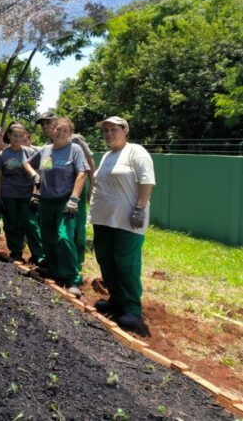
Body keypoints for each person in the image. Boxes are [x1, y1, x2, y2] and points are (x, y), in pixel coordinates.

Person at [90, 116, 155, 332]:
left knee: (126, 264)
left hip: (128, 220)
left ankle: (132, 311)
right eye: (105, 130)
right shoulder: (108, 155)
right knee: (107, 260)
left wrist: (139, 208)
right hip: (104, 219)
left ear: (125, 130)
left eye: (113, 129)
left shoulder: (136, 152)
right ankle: (116, 301)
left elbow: (147, 181)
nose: (109, 134)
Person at [28, 118, 88, 297]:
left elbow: (81, 174)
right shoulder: (46, 151)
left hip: (65, 201)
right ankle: (54, 270)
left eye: (65, 131)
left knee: (63, 237)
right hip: (46, 201)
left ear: (70, 134)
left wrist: (74, 199)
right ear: (52, 131)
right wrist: (35, 177)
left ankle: (72, 278)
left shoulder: (74, 150)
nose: (60, 133)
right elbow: (37, 167)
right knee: (48, 237)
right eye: (57, 129)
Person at [36, 111, 95, 270]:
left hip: (76, 189)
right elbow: (47, 168)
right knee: (53, 230)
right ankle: (55, 260)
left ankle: (76, 261)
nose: (45, 126)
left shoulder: (75, 141)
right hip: (53, 194)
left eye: (48, 122)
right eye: (43, 124)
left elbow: (88, 164)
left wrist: (92, 189)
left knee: (75, 227)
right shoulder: (48, 146)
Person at [0, 122, 44, 263]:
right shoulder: (2, 155)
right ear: (9, 136)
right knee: (11, 224)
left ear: (25, 137)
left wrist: (35, 194)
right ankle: (16, 252)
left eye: (21, 136)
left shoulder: (31, 153)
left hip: (27, 195)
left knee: (31, 225)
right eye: (15, 135)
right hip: (9, 195)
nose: (18, 139)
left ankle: (38, 255)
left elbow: (38, 174)